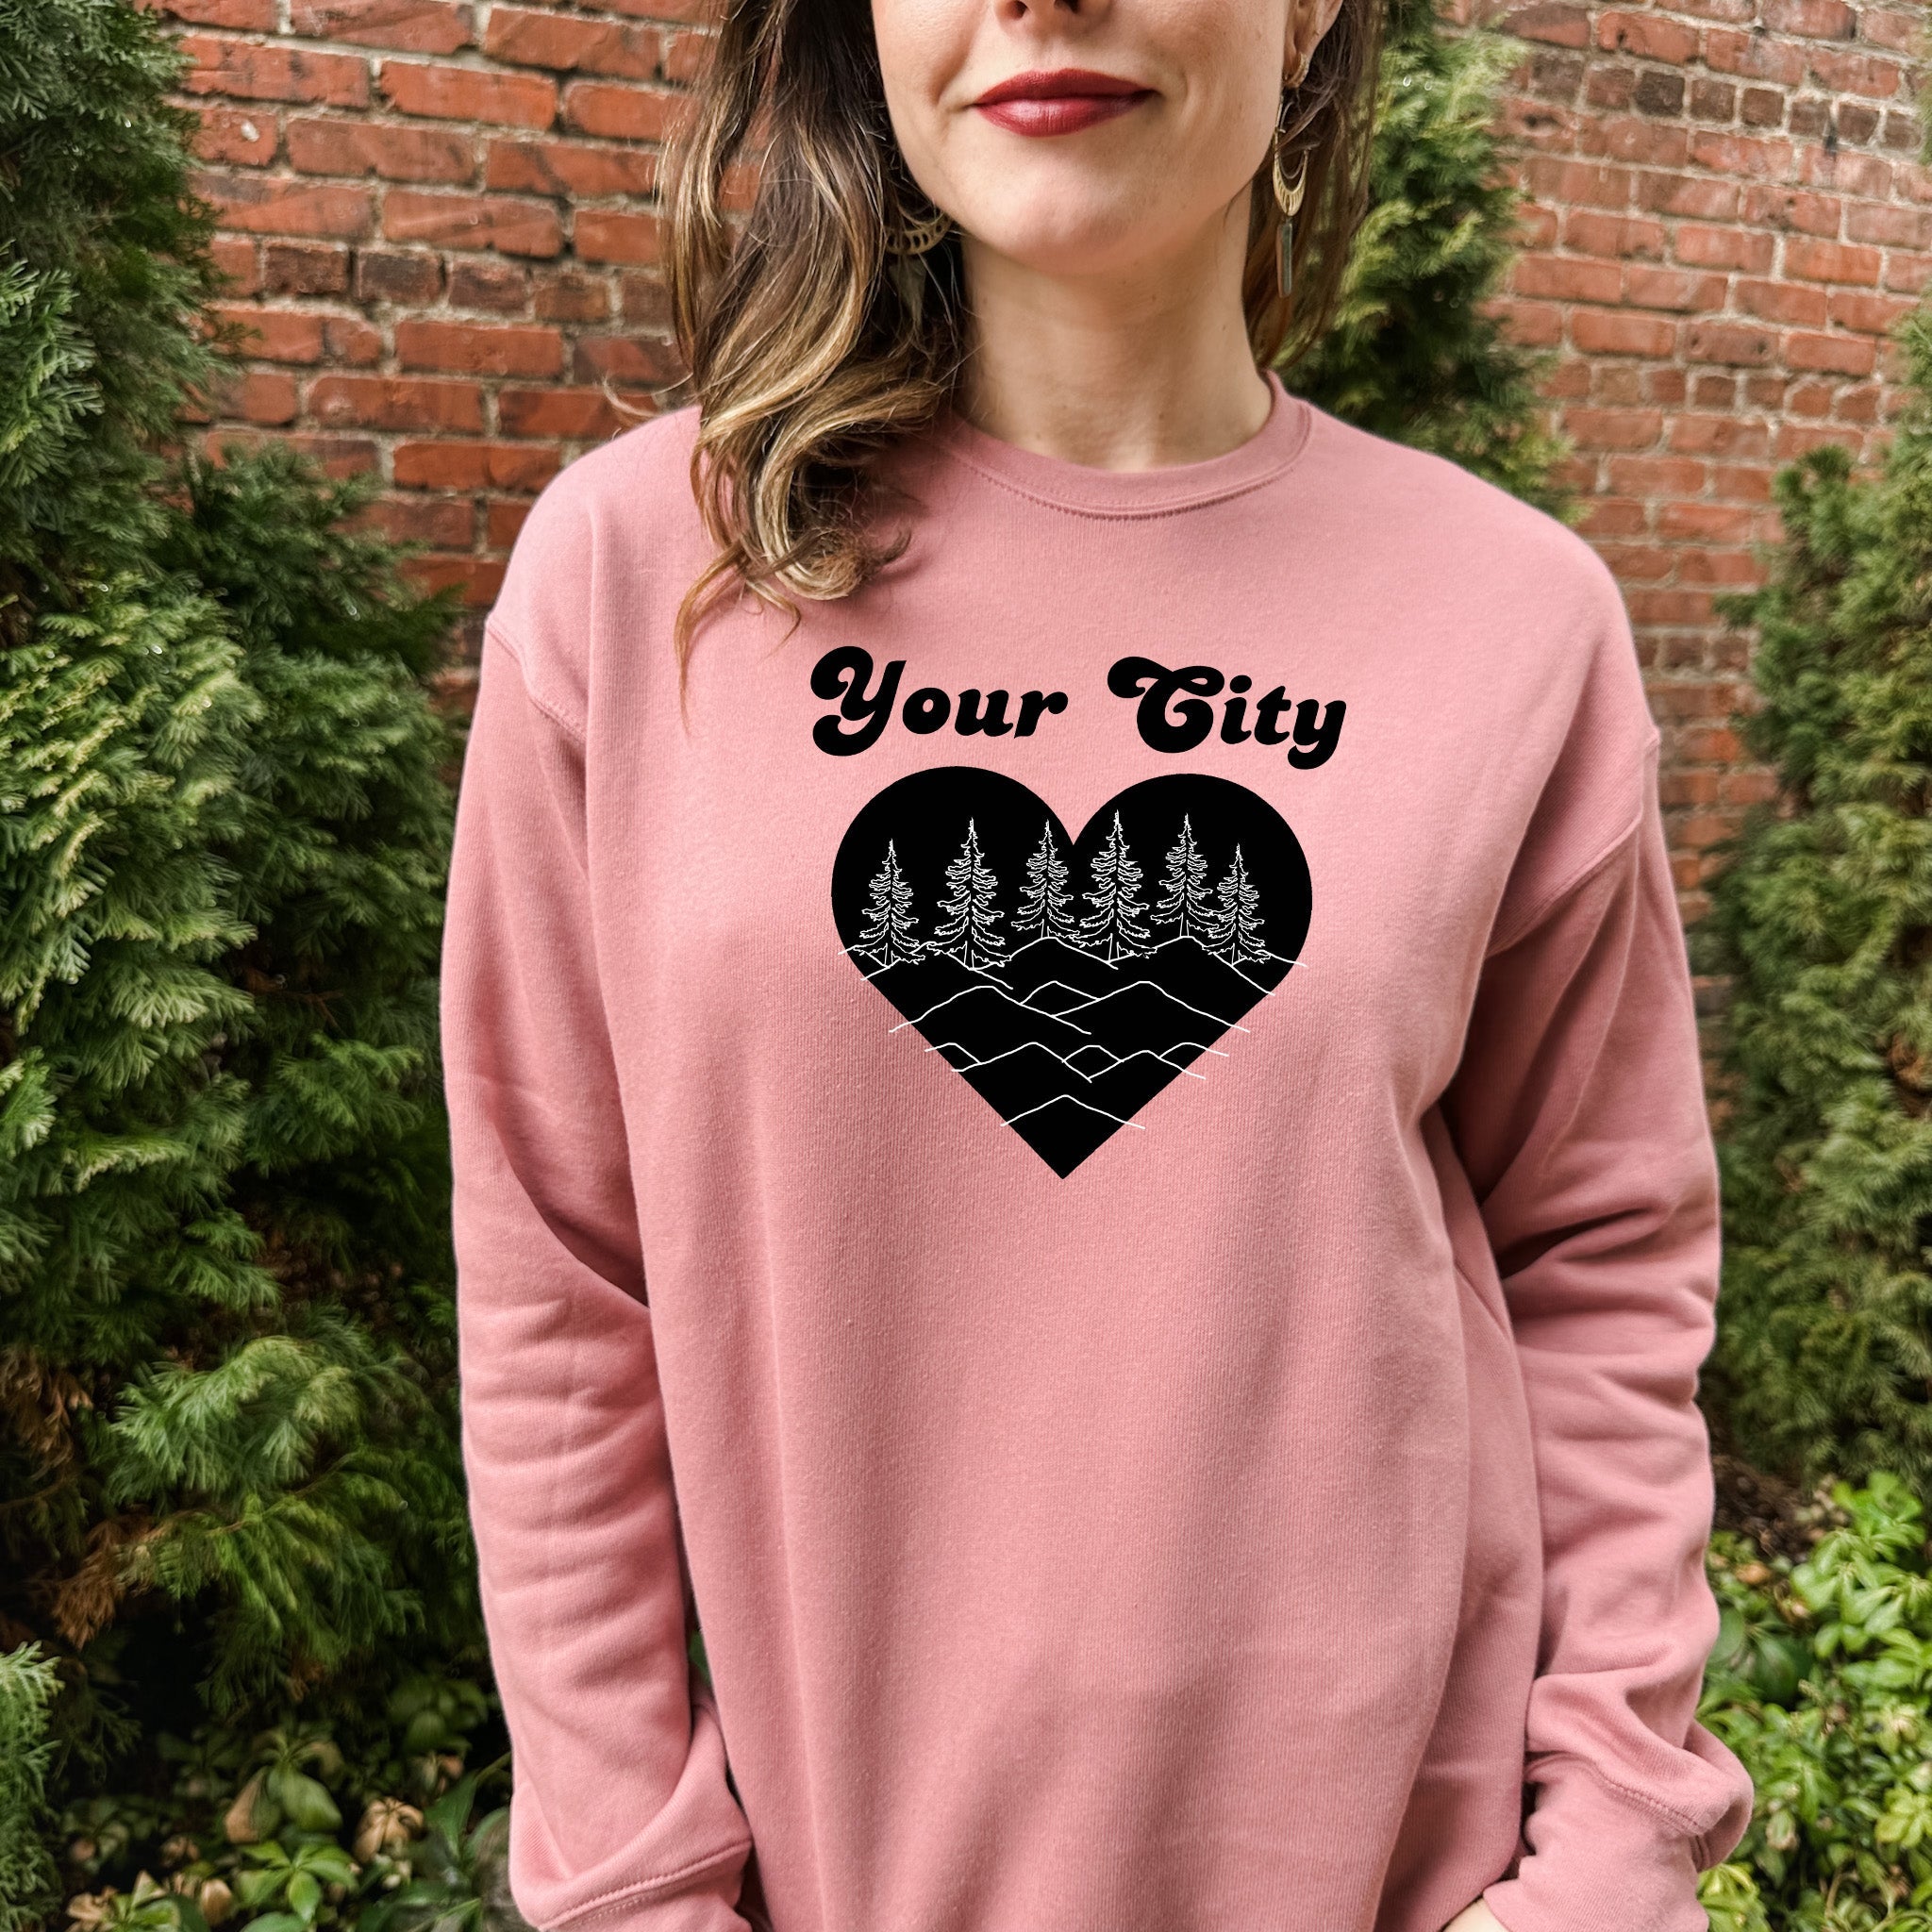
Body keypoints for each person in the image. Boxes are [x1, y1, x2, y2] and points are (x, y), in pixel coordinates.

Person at [439, 0, 1758, 1918]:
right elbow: (556, 1287)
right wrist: (637, 1890)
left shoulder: (1515, 619)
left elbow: (1605, 1260)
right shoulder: (643, 578)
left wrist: (1612, 1852)